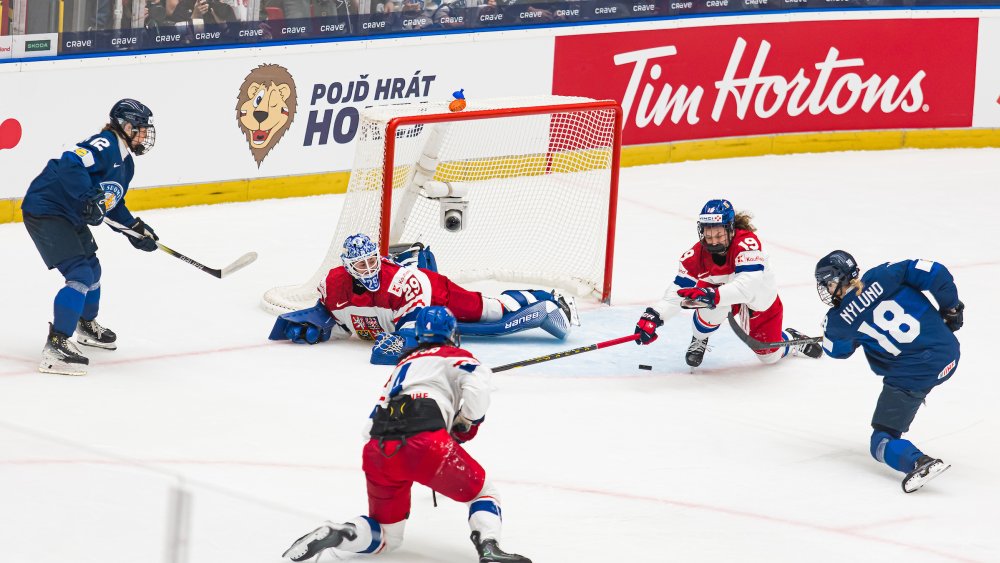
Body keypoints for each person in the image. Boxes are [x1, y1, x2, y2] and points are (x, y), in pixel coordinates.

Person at [282, 307, 531, 563]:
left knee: (387, 536)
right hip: (426, 444)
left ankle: (341, 533)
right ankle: (489, 547)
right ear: (452, 333)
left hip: (378, 449)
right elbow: (478, 392)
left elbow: (369, 428)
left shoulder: (403, 366)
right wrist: (466, 422)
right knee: (483, 493)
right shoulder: (458, 356)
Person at [269, 233, 578, 364]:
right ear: (348, 268)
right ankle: (414, 256)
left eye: (372, 260)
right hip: (401, 302)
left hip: (434, 292)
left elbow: (410, 333)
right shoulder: (333, 283)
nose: (369, 268)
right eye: (361, 265)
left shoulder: (404, 284)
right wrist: (315, 324)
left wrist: (397, 343)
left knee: (492, 311)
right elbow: (331, 315)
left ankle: (546, 297)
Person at [21, 99, 159, 376]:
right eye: (142, 129)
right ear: (126, 126)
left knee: (93, 270)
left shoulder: (126, 164)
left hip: (69, 214)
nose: (145, 136)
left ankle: (85, 325)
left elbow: (110, 203)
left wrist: (134, 229)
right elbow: (70, 161)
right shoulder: (105, 144)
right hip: (46, 209)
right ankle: (57, 344)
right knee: (80, 273)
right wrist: (88, 197)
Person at [815, 250, 963, 493]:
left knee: (881, 441)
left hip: (915, 374)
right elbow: (935, 272)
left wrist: (832, 331)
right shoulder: (885, 274)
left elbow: (836, 351)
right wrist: (951, 308)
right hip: (948, 353)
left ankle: (918, 462)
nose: (827, 290)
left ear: (836, 280)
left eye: (827, 284)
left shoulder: (839, 320)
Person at [633, 199, 821, 367]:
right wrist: (654, 316)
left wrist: (712, 295)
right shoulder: (696, 255)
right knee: (709, 306)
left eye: (719, 236)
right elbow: (677, 291)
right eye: (708, 236)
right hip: (722, 296)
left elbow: (747, 288)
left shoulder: (747, 243)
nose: (713, 242)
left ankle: (791, 339)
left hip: (758, 299)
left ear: (730, 229)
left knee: (769, 356)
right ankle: (699, 338)